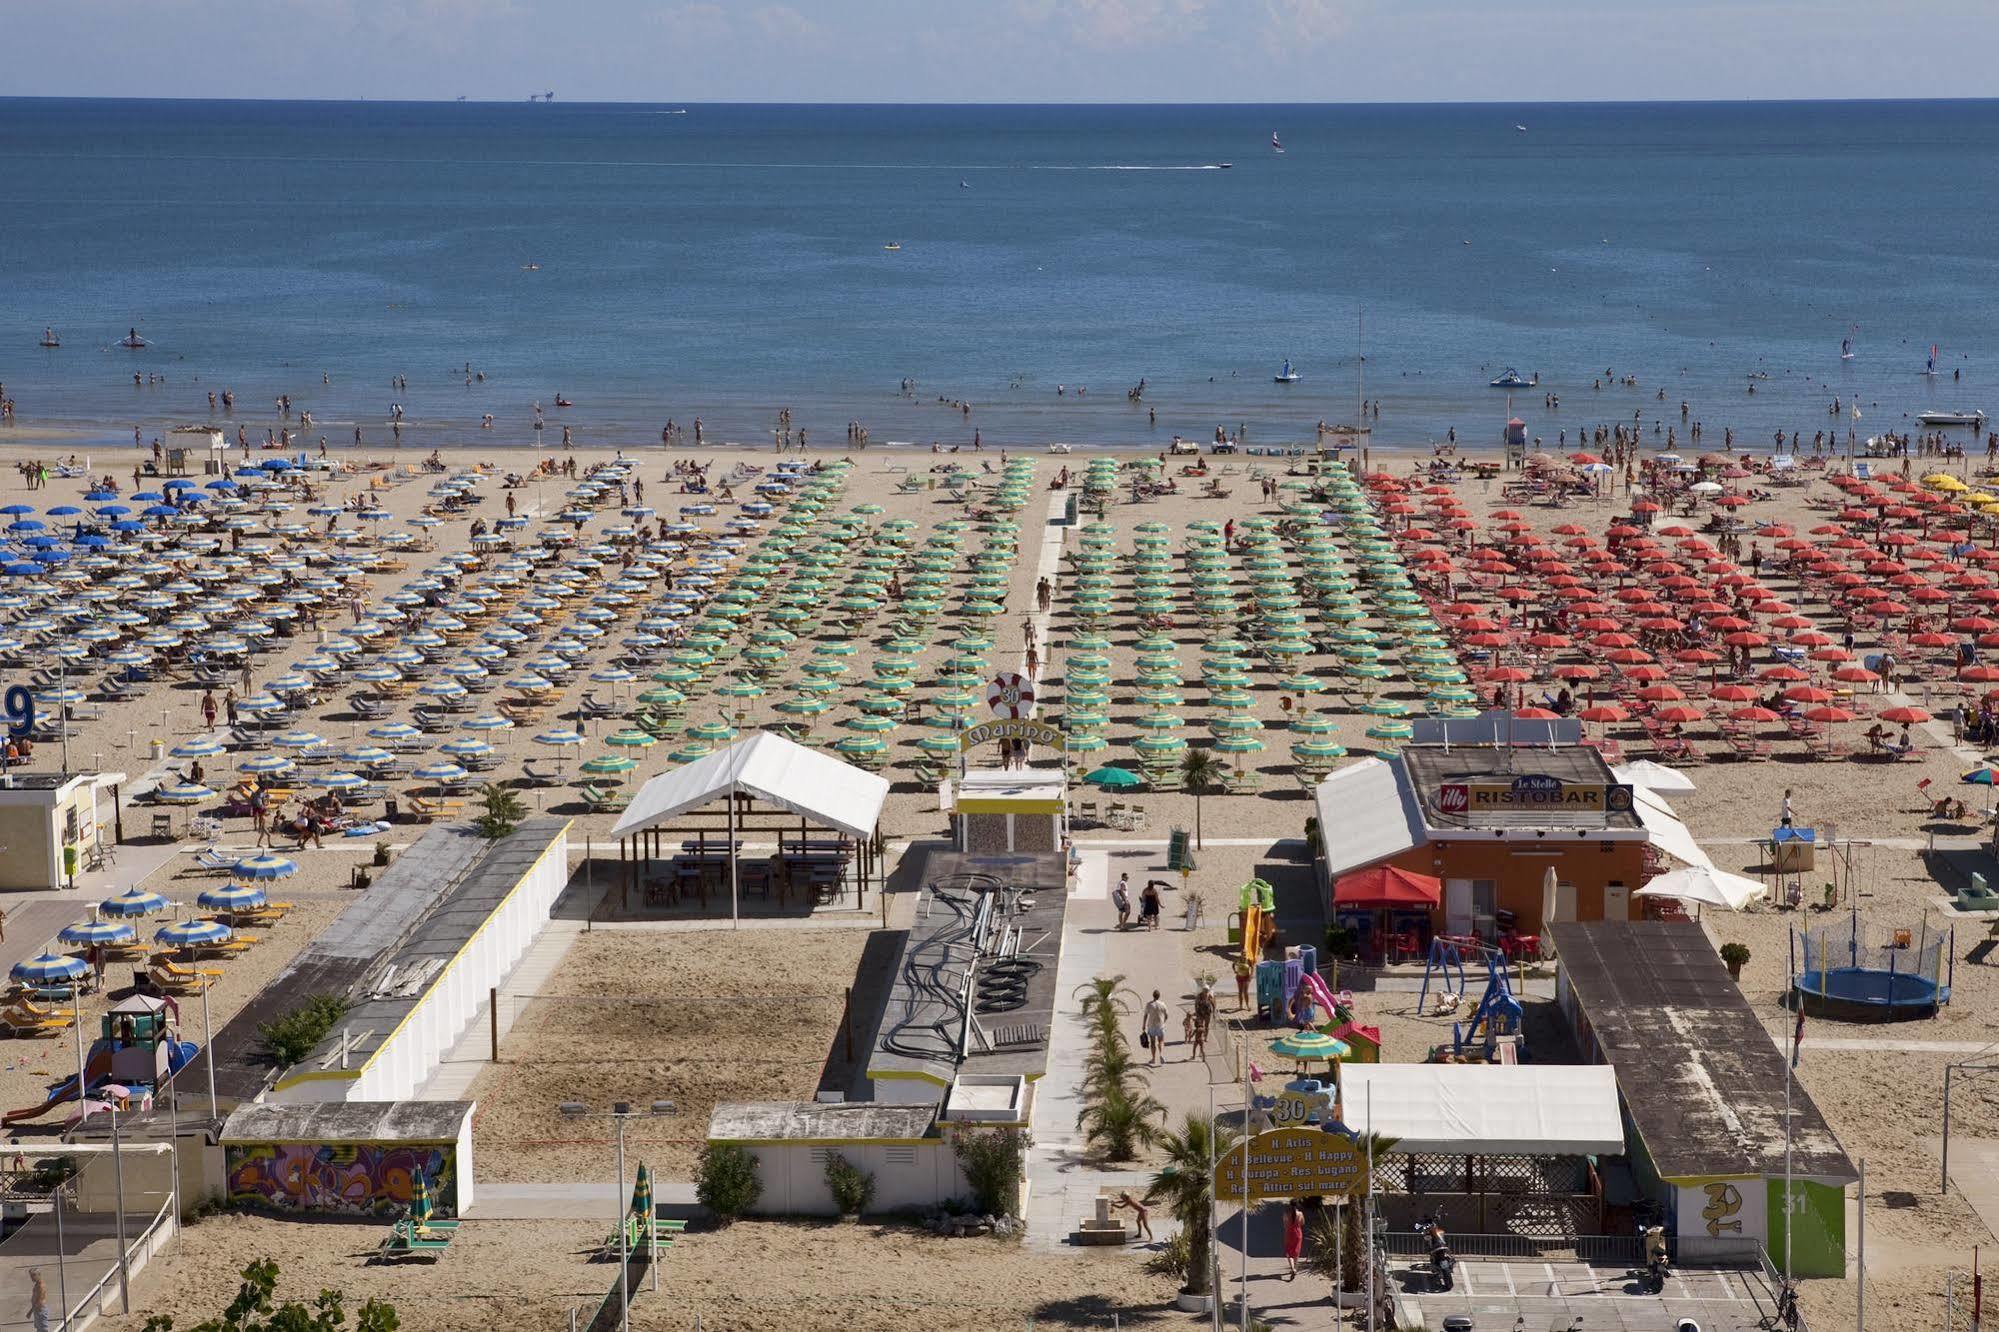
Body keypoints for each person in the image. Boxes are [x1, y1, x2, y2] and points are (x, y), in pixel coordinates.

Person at [1141, 990, 1169, 1067]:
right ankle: (1161, 1054)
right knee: (1161, 1041)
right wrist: (1164, 1022)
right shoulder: (1163, 1004)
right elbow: (1166, 1015)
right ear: (1159, 996)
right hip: (1160, 1025)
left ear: (1153, 995)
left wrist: (1143, 1025)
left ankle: (1153, 1059)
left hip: (1151, 1025)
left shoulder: (1149, 1005)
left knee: (1152, 1042)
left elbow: (1145, 1015)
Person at [1283, 1201, 1305, 1280]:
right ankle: (1295, 1268)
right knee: (1296, 1251)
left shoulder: (1286, 1214)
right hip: (1298, 1233)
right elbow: (1302, 1223)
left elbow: (1285, 1224)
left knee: (1289, 1252)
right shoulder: (1300, 1214)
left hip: (1289, 1233)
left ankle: (1292, 1268)